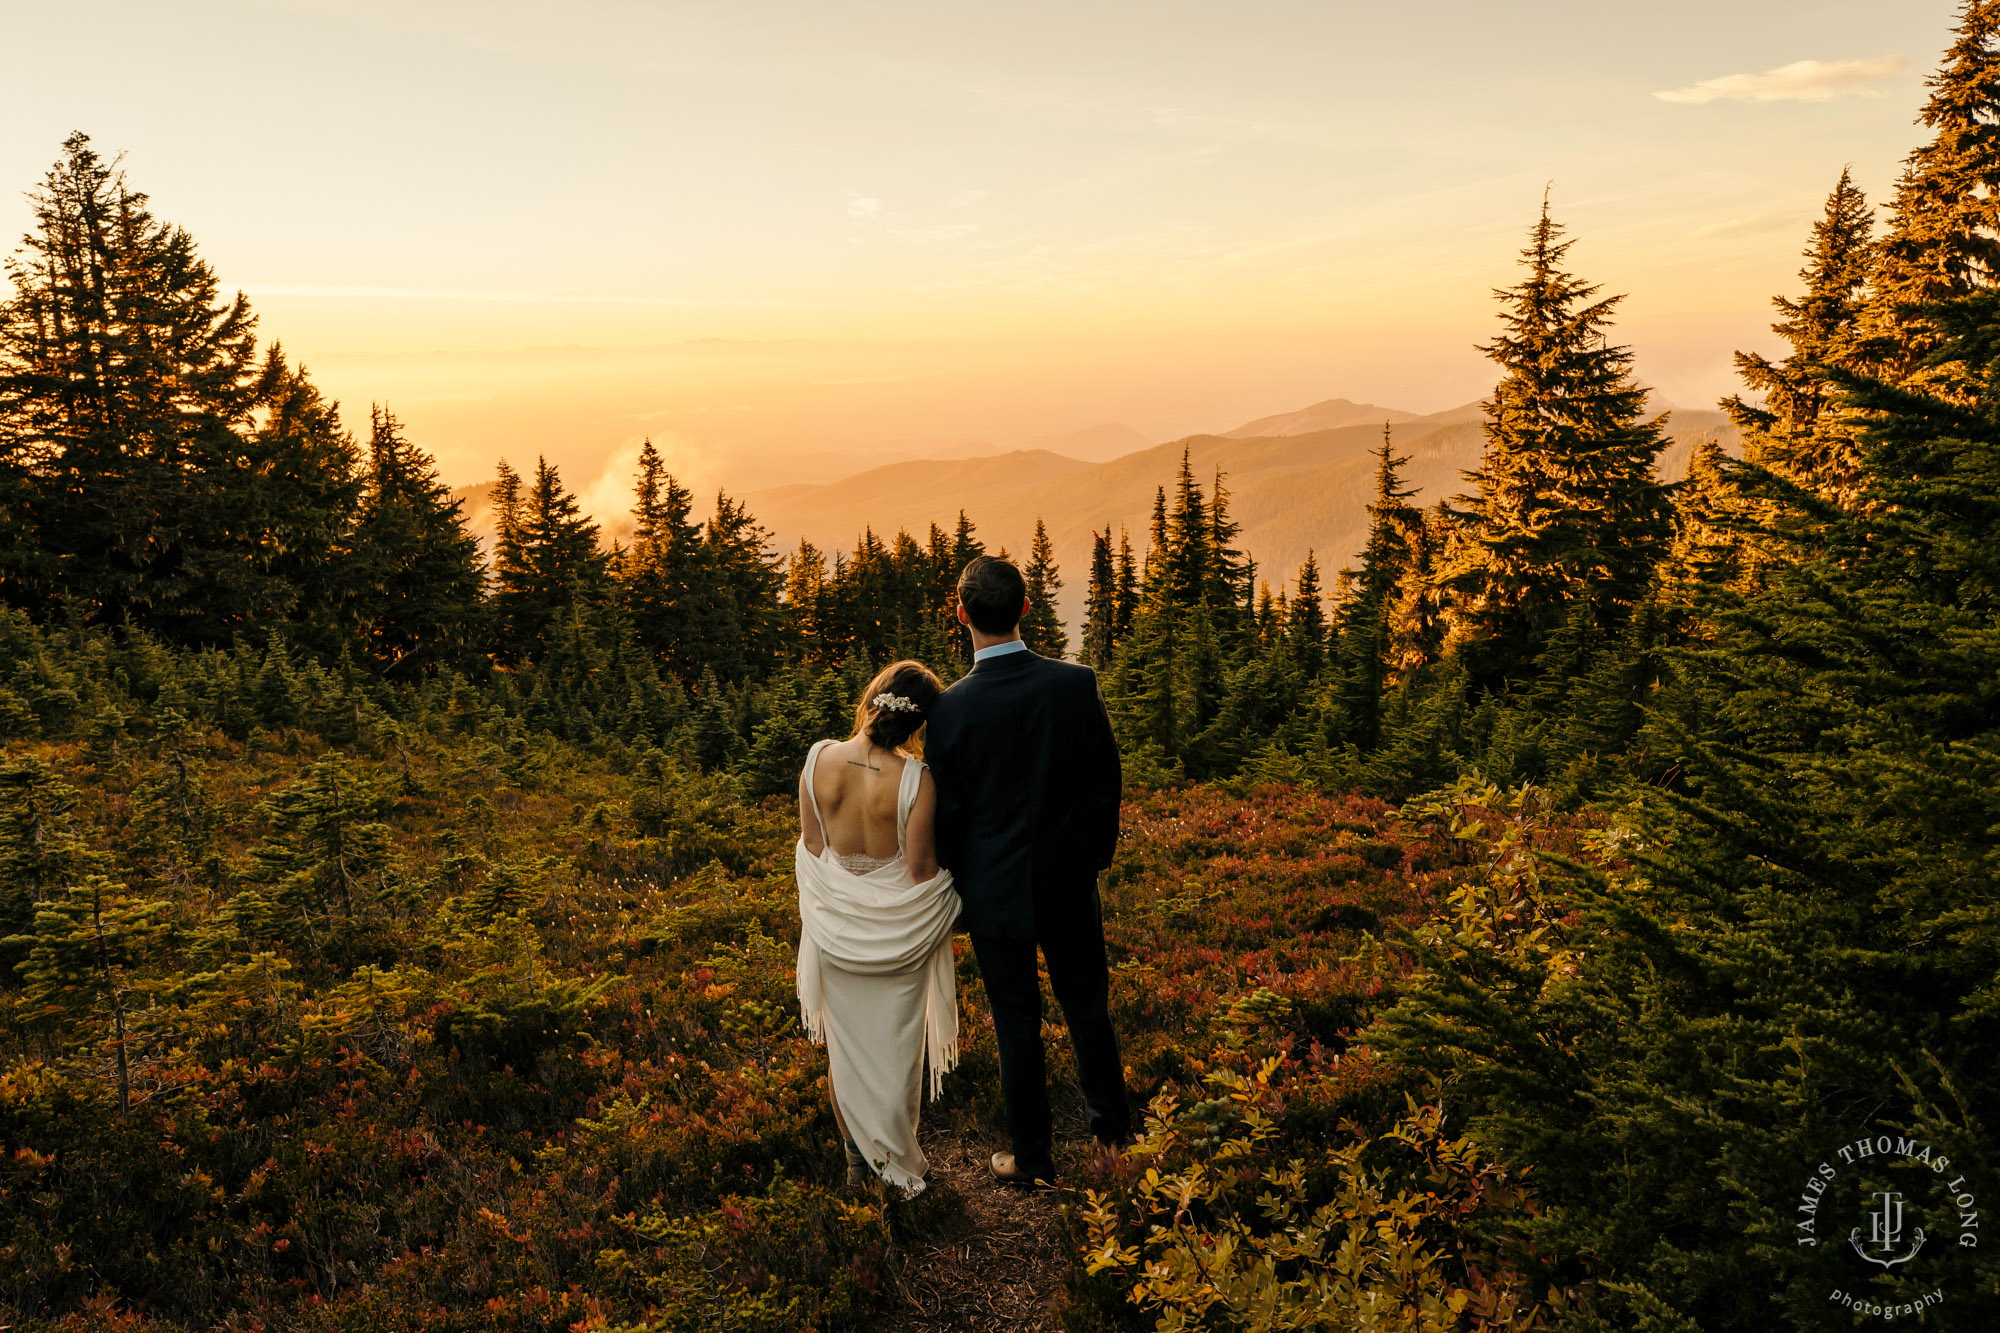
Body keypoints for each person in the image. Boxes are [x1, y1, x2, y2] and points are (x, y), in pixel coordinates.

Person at [925, 555, 1128, 1186]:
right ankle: (1115, 1138)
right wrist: (1091, 860)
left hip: (995, 897)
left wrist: (971, 881)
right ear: (1026, 609)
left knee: (1018, 1025)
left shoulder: (950, 711)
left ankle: (1033, 1158)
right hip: (1069, 884)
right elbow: (1105, 785)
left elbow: (947, 819)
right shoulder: (1074, 684)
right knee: (1088, 1009)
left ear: (962, 616)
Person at [794, 660, 959, 1195]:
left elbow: (814, 850)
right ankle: (896, 1159)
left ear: (873, 698)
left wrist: (839, 908)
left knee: (845, 1054)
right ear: (917, 723)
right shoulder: (917, 780)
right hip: (897, 942)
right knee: (895, 1054)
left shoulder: (819, 758)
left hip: (836, 932)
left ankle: (855, 1166)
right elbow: (919, 872)